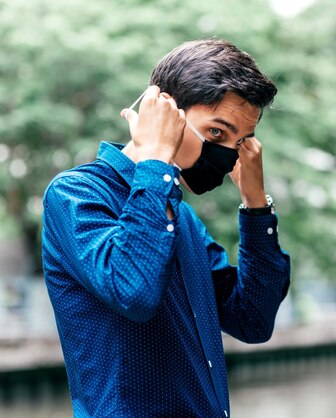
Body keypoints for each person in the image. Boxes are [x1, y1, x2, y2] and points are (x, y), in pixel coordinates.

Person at [41, 38, 290, 417]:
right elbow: (134, 290)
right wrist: (157, 159)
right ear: (164, 111)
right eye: (217, 134)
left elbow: (252, 319)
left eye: (239, 143)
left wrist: (255, 204)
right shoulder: (76, 194)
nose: (225, 157)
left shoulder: (181, 217)